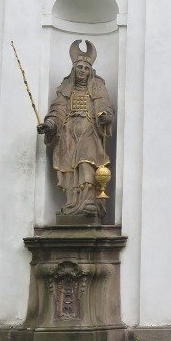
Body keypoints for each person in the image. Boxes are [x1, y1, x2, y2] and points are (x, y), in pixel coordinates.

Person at [38, 39, 114, 221]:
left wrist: (105, 117)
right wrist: (49, 124)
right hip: (68, 133)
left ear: (90, 71)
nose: (82, 71)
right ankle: (72, 204)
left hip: (89, 130)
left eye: (86, 68)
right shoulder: (66, 89)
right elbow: (58, 110)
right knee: (70, 169)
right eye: (79, 67)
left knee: (86, 162)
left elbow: (105, 107)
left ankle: (88, 202)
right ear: (74, 69)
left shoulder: (98, 88)